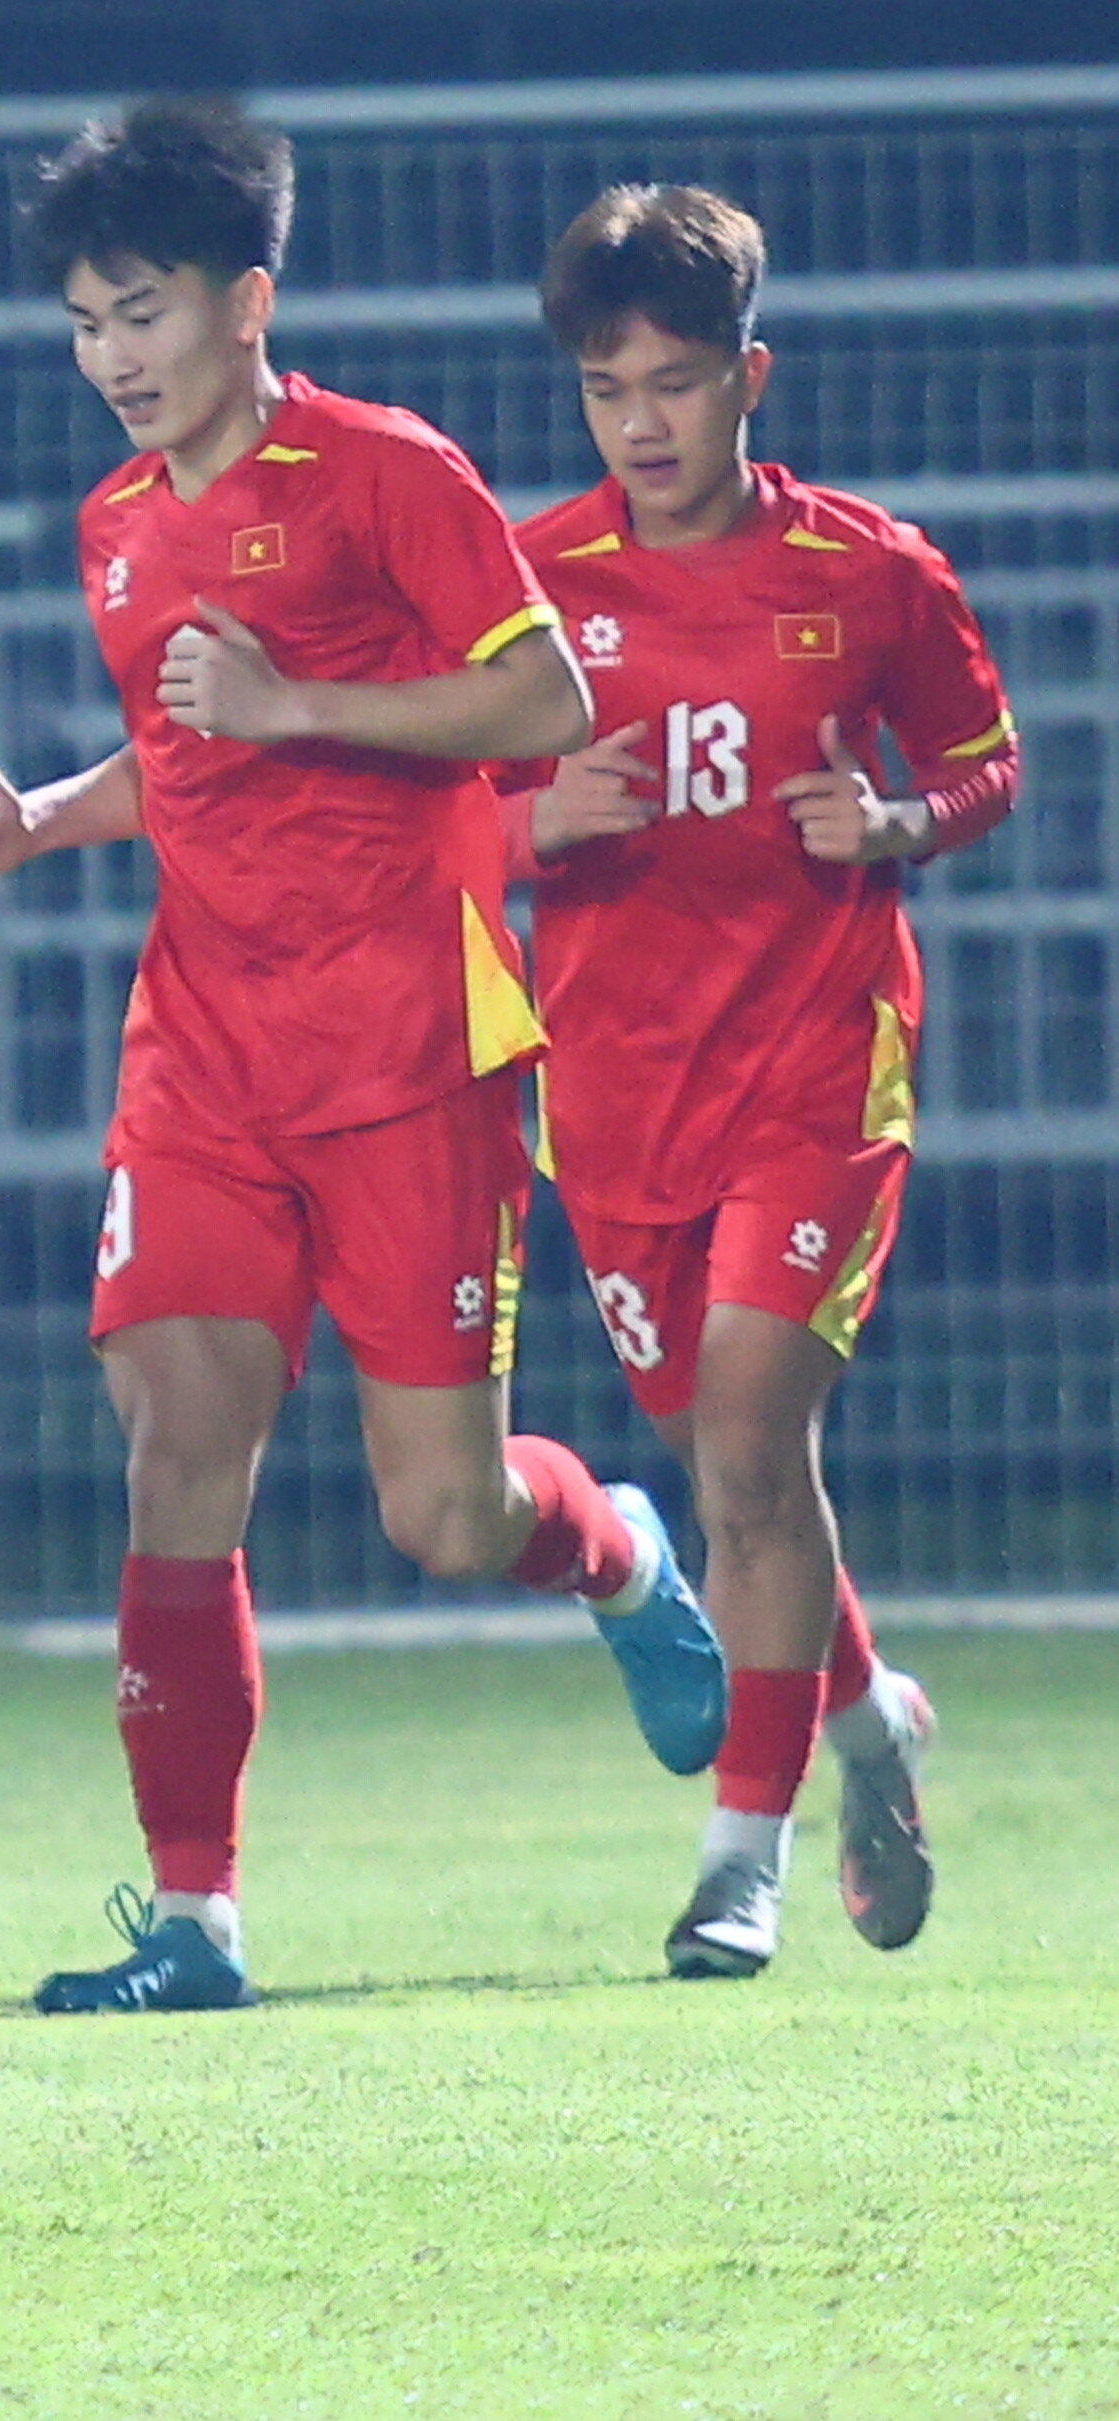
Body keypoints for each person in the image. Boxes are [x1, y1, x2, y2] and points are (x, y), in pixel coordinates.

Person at [0, 97, 724, 2015]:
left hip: (409, 1045)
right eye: (85, 323)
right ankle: (195, 1919)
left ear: (247, 300)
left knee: (446, 1514)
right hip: (205, 1051)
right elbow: (183, 755)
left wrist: (301, 699)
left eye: (143, 313)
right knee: (175, 1448)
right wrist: (37, 821)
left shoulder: (384, 471)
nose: (113, 358)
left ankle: (613, 1549)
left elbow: (545, 696)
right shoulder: (117, 526)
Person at [510, 183, 1016, 1977]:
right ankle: (871, 1719)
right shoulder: (529, 590)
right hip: (615, 1092)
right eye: (606, 389)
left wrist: (897, 819)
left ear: (750, 375)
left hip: (816, 1065)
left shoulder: (872, 571)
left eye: (675, 382)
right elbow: (424, 816)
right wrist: (531, 817)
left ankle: (742, 1861)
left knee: (745, 1443)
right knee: (736, 1480)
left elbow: (984, 761)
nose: (641, 424)